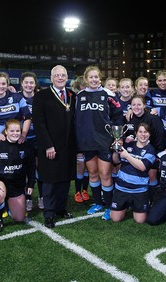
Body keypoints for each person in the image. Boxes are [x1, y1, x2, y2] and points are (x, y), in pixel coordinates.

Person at [75, 65, 123, 221]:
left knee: (105, 174)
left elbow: (118, 116)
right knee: (93, 174)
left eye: (96, 77)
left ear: (100, 78)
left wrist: (118, 136)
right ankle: (97, 203)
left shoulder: (108, 94)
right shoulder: (79, 96)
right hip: (87, 141)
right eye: (91, 77)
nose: (94, 80)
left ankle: (109, 206)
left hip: (104, 141)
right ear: (86, 79)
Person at [33, 65, 77, 228]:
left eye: (63, 75)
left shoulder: (72, 95)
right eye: (57, 75)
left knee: (65, 179)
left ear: (67, 77)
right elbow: (39, 123)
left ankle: (61, 208)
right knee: (50, 181)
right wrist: (48, 145)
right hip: (50, 146)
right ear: (51, 78)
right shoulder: (41, 96)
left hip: (68, 146)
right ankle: (49, 213)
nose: (60, 78)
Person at [0, 119, 36, 232]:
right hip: (0, 181)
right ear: (6, 131)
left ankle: (8, 205)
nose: (15, 133)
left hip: (17, 184)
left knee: (19, 218)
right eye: (12, 131)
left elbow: (31, 166)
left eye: (17, 131)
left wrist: (30, 183)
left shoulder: (25, 145)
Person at [124, 95, 166, 204]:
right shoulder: (128, 117)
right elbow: (125, 135)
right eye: (133, 105)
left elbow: (160, 138)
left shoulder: (153, 118)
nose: (136, 107)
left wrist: (156, 156)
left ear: (144, 105)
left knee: (152, 174)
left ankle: (152, 200)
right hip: (134, 153)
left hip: (151, 153)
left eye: (139, 104)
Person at [110, 123, 156, 223]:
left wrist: (127, 156)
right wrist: (116, 150)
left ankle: (136, 205)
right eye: (140, 132)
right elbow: (116, 161)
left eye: (145, 132)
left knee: (140, 220)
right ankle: (126, 205)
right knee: (115, 219)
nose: (143, 134)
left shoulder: (151, 150)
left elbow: (142, 167)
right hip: (121, 189)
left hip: (139, 191)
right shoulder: (128, 145)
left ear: (149, 134)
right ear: (136, 133)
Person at [18, 71, 44, 211]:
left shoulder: (40, 98)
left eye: (31, 82)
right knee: (25, 171)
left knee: (40, 169)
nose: (28, 85)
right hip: (23, 140)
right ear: (22, 83)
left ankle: (41, 197)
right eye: (26, 82)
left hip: (38, 139)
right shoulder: (16, 97)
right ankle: (27, 198)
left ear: (35, 85)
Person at [71, 75, 90, 204]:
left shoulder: (93, 97)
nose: (85, 87)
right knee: (80, 164)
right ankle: (78, 190)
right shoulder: (75, 98)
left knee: (89, 165)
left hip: (90, 136)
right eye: (84, 85)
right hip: (78, 135)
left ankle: (85, 190)